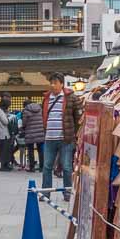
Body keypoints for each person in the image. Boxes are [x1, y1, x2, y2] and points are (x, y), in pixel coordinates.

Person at [42, 73, 82, 201]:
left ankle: (67, 193)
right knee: (47, 166)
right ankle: (46, 192)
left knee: (66, 167)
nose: (52, 85)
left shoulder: (71, 98)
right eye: (51, 82)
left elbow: (79, 118)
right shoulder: (46, 98)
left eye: (55, 82)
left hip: (66, 138)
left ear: (62, 84)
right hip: (49, 138)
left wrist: (74, 135)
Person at [21, 99, 44, 172]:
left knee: (30, 150)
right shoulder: (40, 109)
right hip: (40, 132)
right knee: (40, 150)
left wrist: (23, 128)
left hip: (30, 132)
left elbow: (24, 123)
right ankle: (42, 167)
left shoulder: (26, 110)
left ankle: (32, 167)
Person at [0, 95, 13, 171]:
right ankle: (4, 166)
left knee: (2, 150)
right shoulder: (0, 111)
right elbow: (6, 122)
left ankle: (4, 165)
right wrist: (9, 117)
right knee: (4, 151)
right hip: (3, 134)